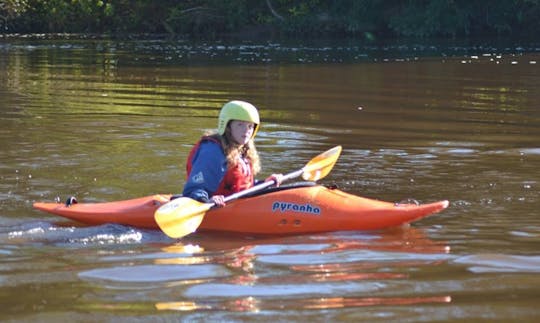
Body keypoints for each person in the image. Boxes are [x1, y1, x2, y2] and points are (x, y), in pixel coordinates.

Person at [182, 100, 283, 207]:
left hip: (238, 205)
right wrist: (205, 200)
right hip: (216, 208)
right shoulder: (212, 151)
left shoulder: (243, 151)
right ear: (228, 126)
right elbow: (193, 190)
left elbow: (242, 188)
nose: (246, 130)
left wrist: (265, 184)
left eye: (250, 126)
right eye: (240, 125)